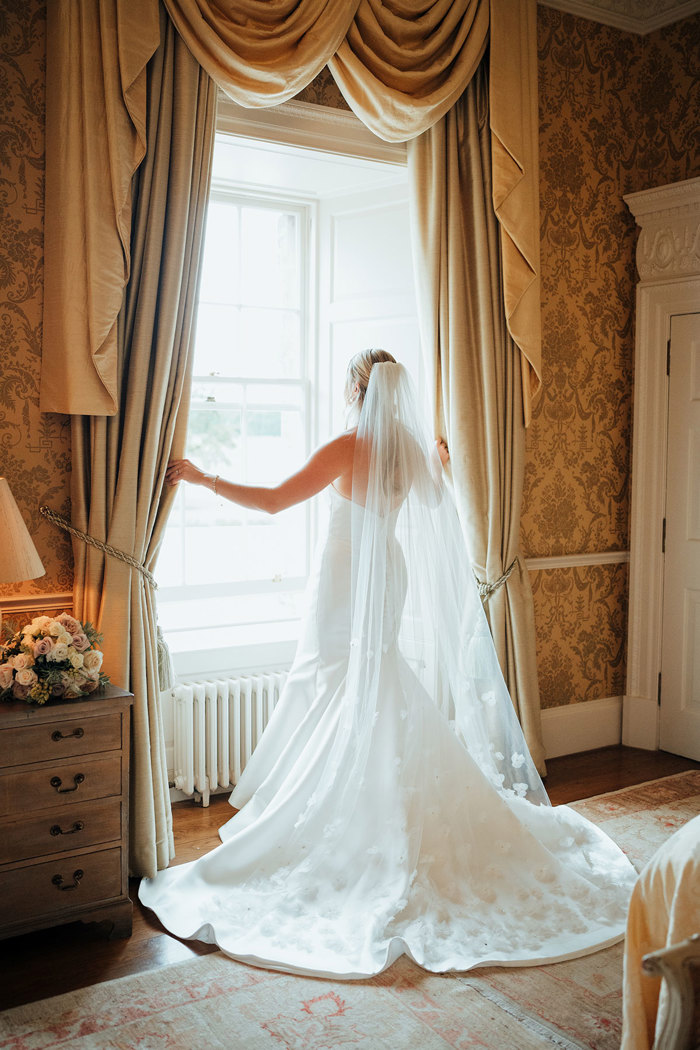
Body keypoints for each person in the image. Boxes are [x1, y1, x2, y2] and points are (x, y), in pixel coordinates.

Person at [140, 349, 636, 979]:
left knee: (338, 683)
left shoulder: (348, 445)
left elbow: (270, 502)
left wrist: (204, 478)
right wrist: (446, 460)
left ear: (355, 389)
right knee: (371, 679)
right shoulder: (408, 446)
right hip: (386, 575)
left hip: (347, 582)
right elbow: (437, 501)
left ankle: (337, 818)